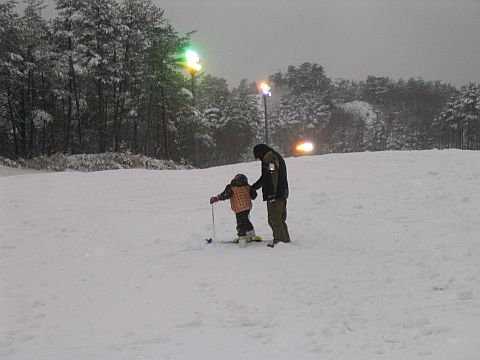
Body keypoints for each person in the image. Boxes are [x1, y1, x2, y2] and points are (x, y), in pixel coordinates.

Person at [252, 144, 290, 247]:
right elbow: (265, 177)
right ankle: (285, 239)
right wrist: (253, 187)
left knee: (274, 218)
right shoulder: (273, 156)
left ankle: (280, 241)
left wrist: (272, 194)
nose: (259, 159)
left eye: (258, 157)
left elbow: (273, 175)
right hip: (282, 192)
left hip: (276, 194)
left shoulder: (269, 158)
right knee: (280, 218)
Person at [210, 173, 262, 242]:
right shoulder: (247, 186)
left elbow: (224, 195)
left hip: (238, 208)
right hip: (247, 207)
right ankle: (251, 234)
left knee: (240, 223)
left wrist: (217, 198)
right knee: (245, 220)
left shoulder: (231, 187)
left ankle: (242, 237)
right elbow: (254, 195)